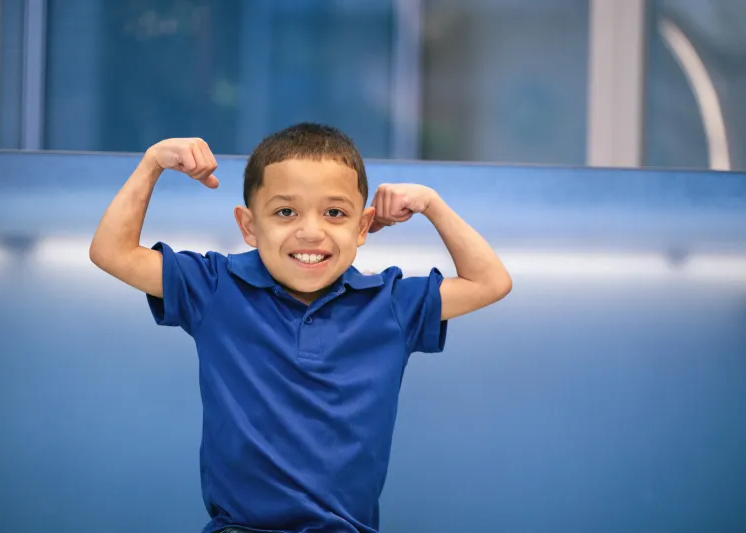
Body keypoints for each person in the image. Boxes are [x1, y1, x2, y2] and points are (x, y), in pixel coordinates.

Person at [89, 123, 512, 533]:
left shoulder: (392, 303)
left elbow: (490, 282)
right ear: (249, 226)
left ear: (362, 228)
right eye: (286, 212)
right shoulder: (215, 286)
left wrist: (431, 204)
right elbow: (113, 252)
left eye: (334, 212)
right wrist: (152, 163)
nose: (311, 232)